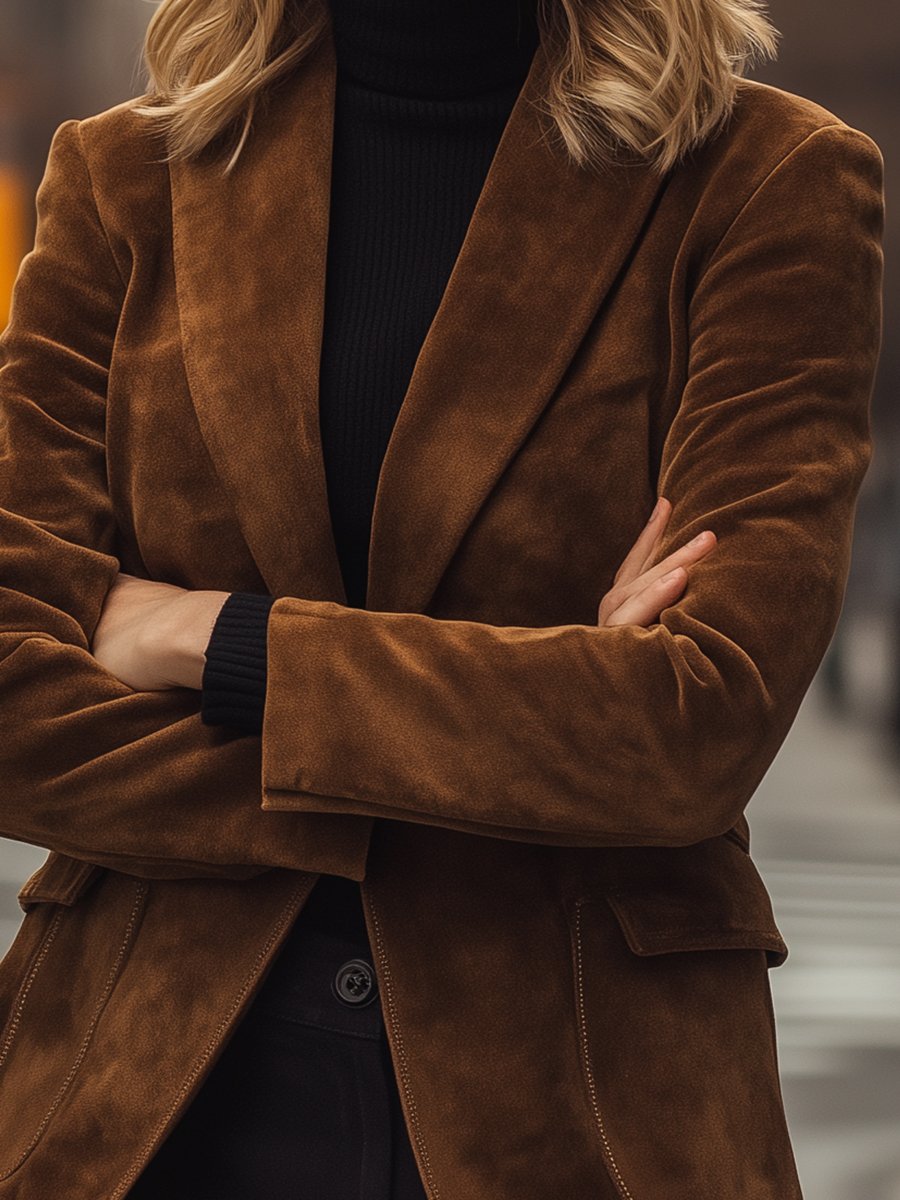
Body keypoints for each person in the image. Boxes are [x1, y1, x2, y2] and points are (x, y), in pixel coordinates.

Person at [0, 0, 884, 1196]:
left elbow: (695, 721)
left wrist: (214, 639)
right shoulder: (125, 176)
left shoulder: (766, 179)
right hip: (140, 1093)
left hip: (583, 1095)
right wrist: (537, 714)